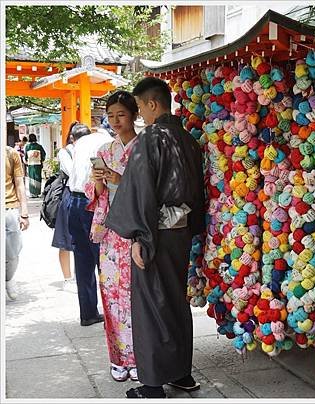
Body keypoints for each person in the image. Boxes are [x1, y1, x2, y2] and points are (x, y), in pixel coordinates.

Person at [105, 77, 205, 398]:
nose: (141, 116)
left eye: (141, 109)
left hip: (155, 234)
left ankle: (152, 383)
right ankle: (182, 374)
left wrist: (139, 237)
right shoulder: (189, 140)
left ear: (151, 104)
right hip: (181, 231)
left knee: (150, 305)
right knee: (176, 301)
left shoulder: (151, 139)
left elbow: (142, 191)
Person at [85, 91, 139, 382]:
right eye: (111, 114)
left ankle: (141, 356)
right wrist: (98, 183)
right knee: (111, 295)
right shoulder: (106, 150)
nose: (116, 120)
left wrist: (122, 180)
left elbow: (150, 190)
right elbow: (94, 194)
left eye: (122, 114)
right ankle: (118, 358)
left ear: (134, 114)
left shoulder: (144, 147)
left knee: (135, 296)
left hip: (135, 231)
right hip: (110, 232)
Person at [67, 123, 113, 326]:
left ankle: (87, 313)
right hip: (93, 203)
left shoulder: (81, 142)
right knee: (105, 260)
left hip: (73, 202)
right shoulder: (109, 143)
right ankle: (112, 312)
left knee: (83, 261)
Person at [51, 131, 76, 292]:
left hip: (87, 195)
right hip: (69, 195)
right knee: (65, 240)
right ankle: (67, 278)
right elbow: (72, 171)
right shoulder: (65, 152)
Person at [5, 145, 29, 300]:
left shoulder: (11, 153)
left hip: (9, 208)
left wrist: (24, 213)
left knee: (13, 251)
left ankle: (8, 278)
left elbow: (19, 183)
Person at [24, 133, 46, 197]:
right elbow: (43, 154)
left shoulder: (28, 147)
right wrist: (41, 160)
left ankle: (32, 193)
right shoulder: (39, 146)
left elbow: (26, 156)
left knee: (31, 178)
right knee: (37, 178)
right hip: (38, 164)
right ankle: (37, 192)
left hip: (31, 164)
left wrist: (26, 159)